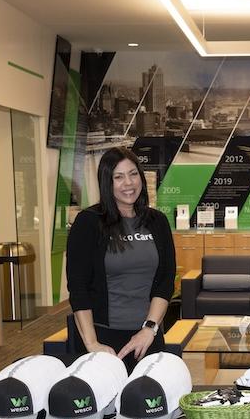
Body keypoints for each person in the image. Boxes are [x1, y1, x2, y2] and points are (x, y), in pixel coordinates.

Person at [66, 146, 175, 370]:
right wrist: (92, 343)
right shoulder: (88, 222)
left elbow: (165, 280)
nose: (129, 183)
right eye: (119, 177)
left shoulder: (157, 221)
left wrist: (149, 329)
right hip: (103, 340)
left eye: (133, 174)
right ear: (107, 182)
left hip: (147, 339)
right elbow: (78, 288)